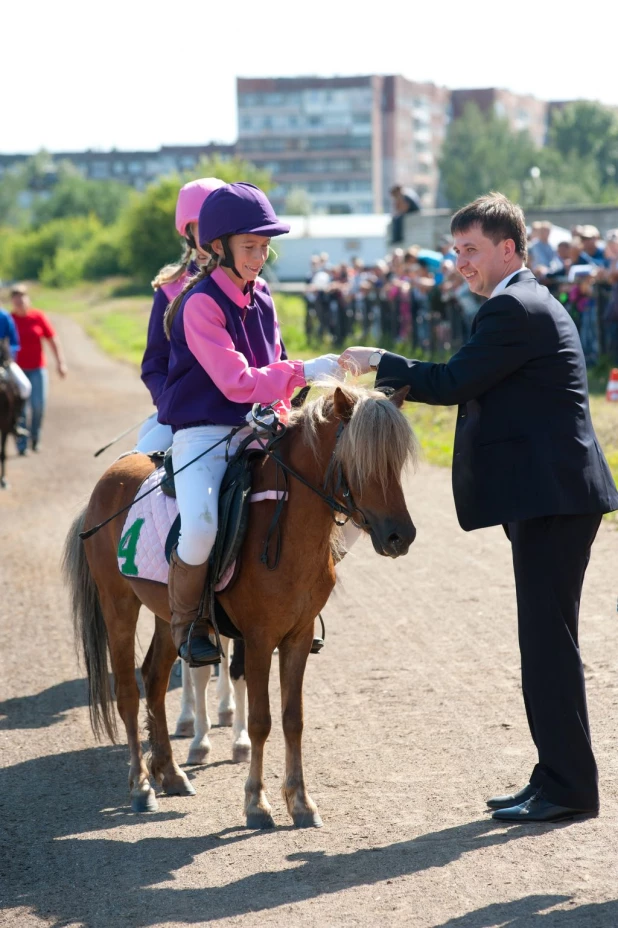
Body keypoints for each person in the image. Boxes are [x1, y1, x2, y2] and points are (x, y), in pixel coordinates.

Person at [340, 192, 618, 824]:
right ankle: (555, 775)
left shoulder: (512, 309)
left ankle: (570, 788)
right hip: (550, 496)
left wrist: (382, 362)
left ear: (508, 249)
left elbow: (452, 382)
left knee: (548, 646)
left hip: (554, 498)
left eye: (471, 250)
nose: (460, 262)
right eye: (455, 250)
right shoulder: (520, 303)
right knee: (546, 642)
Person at [157, 182, 344, 666]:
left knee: (334, 495)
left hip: (261, 426)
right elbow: (237, 382)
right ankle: (189, 621)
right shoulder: (198, 304)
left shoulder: (261, 294)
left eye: (265, 247)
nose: (260, 257)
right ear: (217, 247)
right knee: (199, 528)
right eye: (250, 247)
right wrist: (305, 371)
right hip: (205, 433)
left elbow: (273, 361)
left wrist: (294, 396)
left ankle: (294, 599)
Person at [136, 177, 226, 454]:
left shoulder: (252, 284)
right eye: (205, 227)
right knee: (136, 463)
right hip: (187, 415)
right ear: (188, 231)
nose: (215, 234)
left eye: (221, 225)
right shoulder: (169, 289)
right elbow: (154, 363)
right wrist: (172, 403)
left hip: (248, 408)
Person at [10, 284, 67, 455]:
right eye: (16, 298)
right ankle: (22, 443)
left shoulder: (38, 317)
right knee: (20, 408)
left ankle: (35, 437)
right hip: (17, 371)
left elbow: (52, 339)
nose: (20, 301)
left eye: (22, 297)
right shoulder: (9, 319)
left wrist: (60, 362)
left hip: (37, 369)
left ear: (28, 299)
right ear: (12, 301)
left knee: (38, 405)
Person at [0, 305, 32, 418]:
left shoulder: (4, 317)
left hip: (4, 361)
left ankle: (16, 421)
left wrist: (7, 355)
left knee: (25, 386)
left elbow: (14, 343)